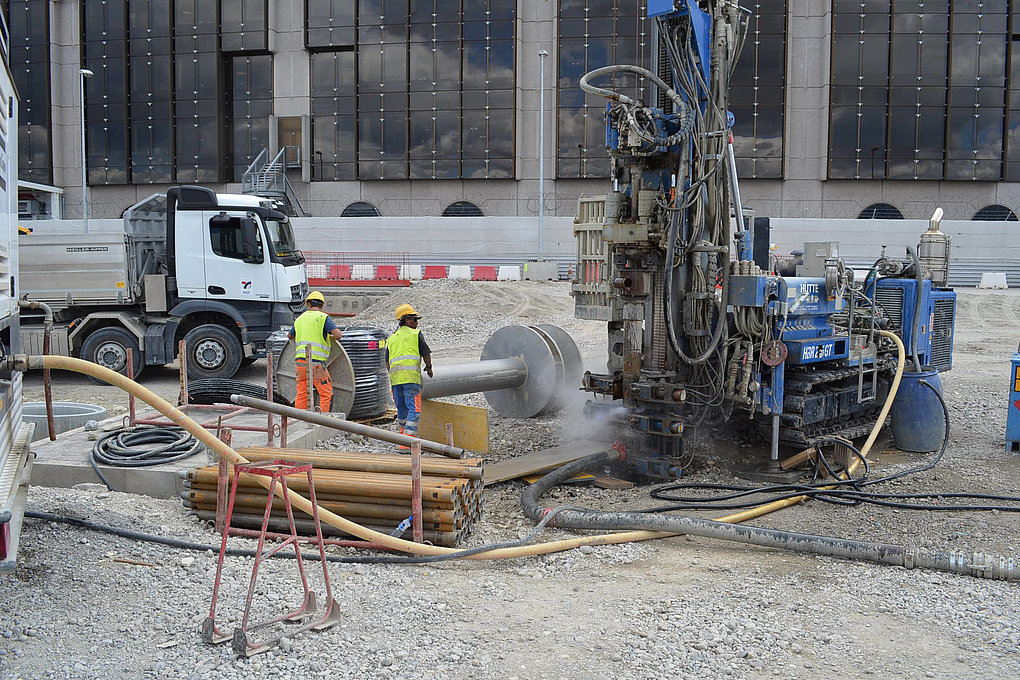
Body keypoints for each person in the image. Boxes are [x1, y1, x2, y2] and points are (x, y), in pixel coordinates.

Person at [288, 291, 343, 412]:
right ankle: (323, 421)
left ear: (308, 304)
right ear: (322, 306)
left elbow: (290, 336)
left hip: (300, 363)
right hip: (316, 364)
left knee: (302, 393)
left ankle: (300, 420)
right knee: (326, 393)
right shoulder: (323, 318)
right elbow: (338, 335)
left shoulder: (299, 319)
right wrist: (329, 337)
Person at [387, 303, 433, 447]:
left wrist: (394, 375)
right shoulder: (415, 334)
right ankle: (407, 442)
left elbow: (386, 361)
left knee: (402, 409)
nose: (417, 322)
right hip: (411, 380)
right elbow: (426, 353)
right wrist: (429, 368)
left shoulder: (392, 338)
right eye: (414, 319)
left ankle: (403, 437)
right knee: (414, 409)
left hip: (395, 381)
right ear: (406, 319)